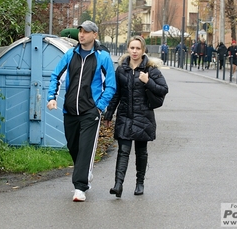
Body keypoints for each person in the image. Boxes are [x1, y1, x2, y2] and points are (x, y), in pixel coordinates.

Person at [47, 20, 116, 202]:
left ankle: (80, 187)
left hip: (90, 112)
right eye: (80, 31)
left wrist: (99, 107)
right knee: (73, 146)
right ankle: (85, 172)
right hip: (70, 111)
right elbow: (56, 76)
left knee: (85, 149)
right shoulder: (70, 55)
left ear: (95, 35)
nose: (81, 35)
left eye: (86, 32)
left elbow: (110, 85)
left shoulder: (102, 58)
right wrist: (52, 98)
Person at [104, 36, 168, 198]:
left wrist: (148, 82)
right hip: (125, 115)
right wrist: (109, 114)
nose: (134, 51)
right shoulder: (121, 69)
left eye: (138, 48)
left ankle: (140, 183)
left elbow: (163, 89)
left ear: (143, 50)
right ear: (128, 49)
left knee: (141, 152)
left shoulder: (150, 69)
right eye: (132, 48)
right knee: (123, 151)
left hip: (143, 115)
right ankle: (118, 185)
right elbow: (116, 94)